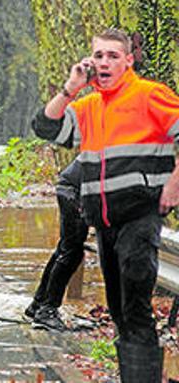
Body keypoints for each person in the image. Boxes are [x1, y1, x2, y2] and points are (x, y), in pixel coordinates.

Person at [32, 28, 179, 382]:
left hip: (141, 216)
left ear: (129, 60)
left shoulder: (150, 95)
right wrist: (71, 87)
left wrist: (174, 184)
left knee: (134, 307)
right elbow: (45, 127)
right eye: (99, 55)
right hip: (105, 223)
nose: (105, 62)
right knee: (119, 311)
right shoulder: (89, 107)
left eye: (113, 55)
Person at [24, 157, 88, 332]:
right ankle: (47, 311)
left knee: (66, 248)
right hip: (75, 190)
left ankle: (38, 304)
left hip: (71, 187)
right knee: (72, 252)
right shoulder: (129, 144)